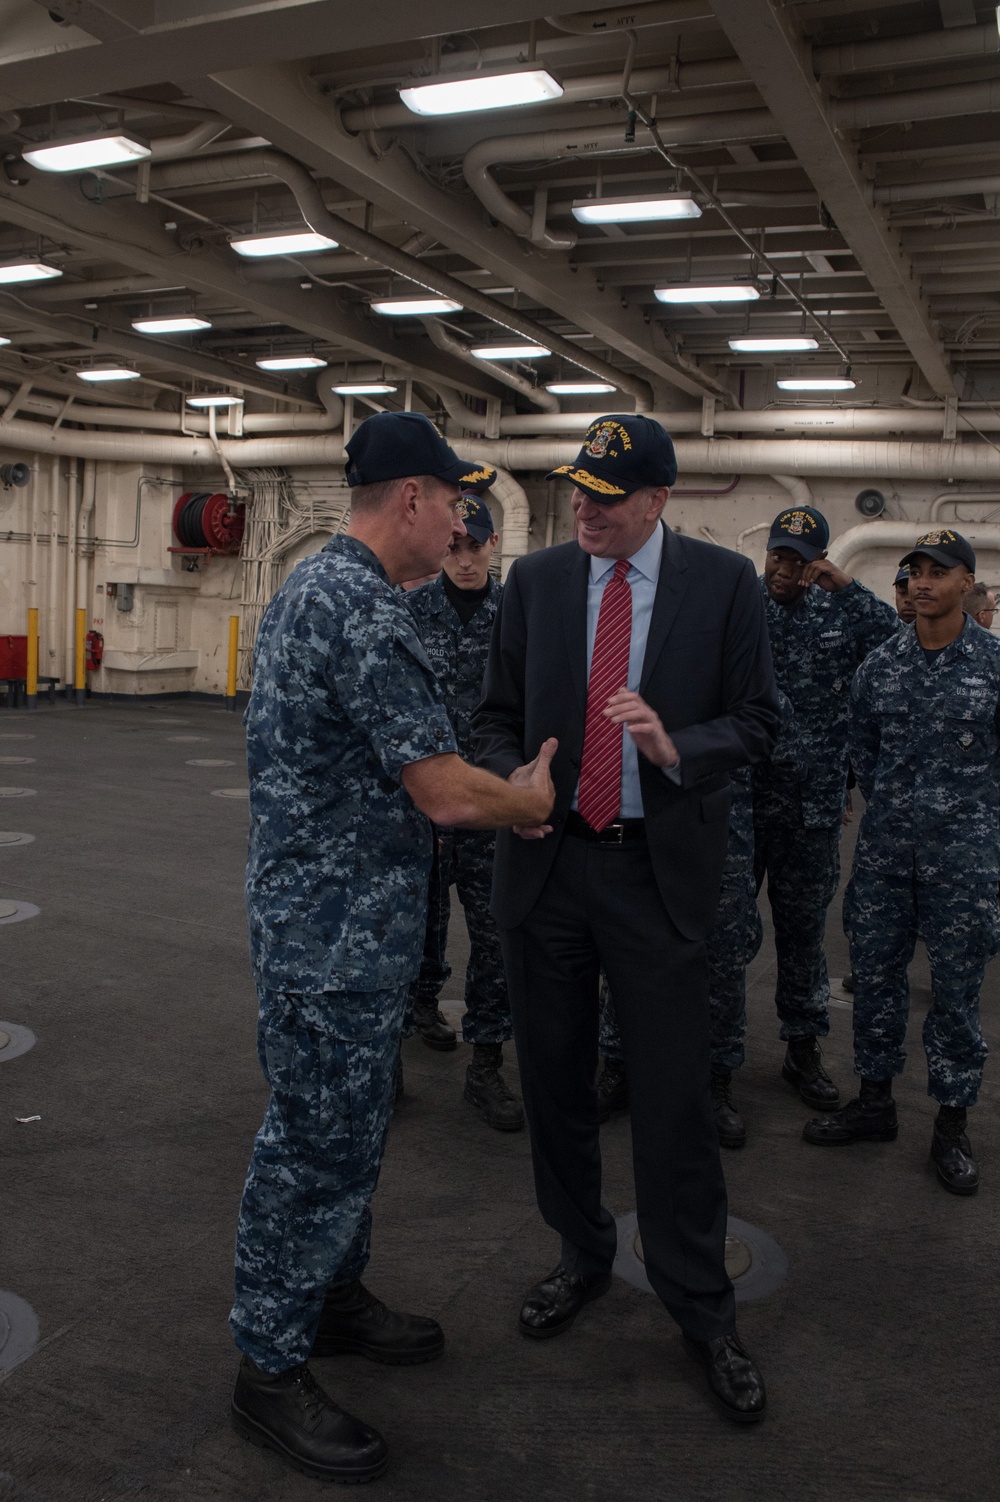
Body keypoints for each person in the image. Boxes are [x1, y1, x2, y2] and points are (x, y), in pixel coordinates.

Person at [230, 411, 557, 1484]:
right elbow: (440, 788)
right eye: (455, 497)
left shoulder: (317, 586)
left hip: (330, 924)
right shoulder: (363, 610)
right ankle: (267, 1366)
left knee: (347, 1132)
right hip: (336, 935)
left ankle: (329, 1297)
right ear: (409, 498)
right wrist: (527, 800)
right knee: (312, 1150)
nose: (465, 516)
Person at [473, 414, 780, 1424]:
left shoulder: (724, 585)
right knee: (555, 1082)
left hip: (656, 875)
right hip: (550, 867)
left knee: (671, 1102)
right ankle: (580, 1252)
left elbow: (757, 722)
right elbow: (495, 711)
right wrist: (510, 772)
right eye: (577, 490)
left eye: (607, 496)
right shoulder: (538, 582)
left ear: (658, 501)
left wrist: (670, 741)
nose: (584, 509)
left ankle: (701, 1306)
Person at [803, 529, 1000, 1196]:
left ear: (967, 584)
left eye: (937, 572)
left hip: (963, 862)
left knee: (955, 995)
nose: (921, 582)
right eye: (914, 571)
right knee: (877, 982)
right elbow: (863, 754)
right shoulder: (879, 668)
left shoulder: (994, 668)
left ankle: (951, 1124)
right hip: (886, 855)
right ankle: (875, 1102)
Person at [753, 507, 897, 1109]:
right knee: (723, 930)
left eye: (796, 558)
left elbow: (900, 645)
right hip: (745, 800)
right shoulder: (744, 608)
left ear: (816, 561)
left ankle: (803, 1051)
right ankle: (713, 1057)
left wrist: (849, 588)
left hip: (813, 807)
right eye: (776, 555)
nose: (782, 568)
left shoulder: (840, 612)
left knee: (804, 934)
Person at [404, 491, 524, 1132]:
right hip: (420, 802)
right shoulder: (408, 612)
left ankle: (486, 1063)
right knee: (405, 926)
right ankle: (409, 1021)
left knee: (494, 936)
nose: (466, 556)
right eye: (454, 544)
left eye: (475, 544)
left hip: (484, 802)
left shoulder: (517, 613)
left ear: (493, 545)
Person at [596, 765, 761, 1148]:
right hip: (644, 827)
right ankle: (618, 1066)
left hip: (724, 832)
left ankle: (717, 1079)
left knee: (724, 959)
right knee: (626, 953)